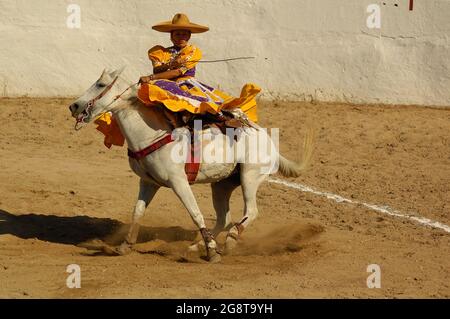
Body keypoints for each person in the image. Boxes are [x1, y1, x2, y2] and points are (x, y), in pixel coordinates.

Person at [137, 13, 259, 126]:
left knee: (203, 105)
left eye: (184, 34)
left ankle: (223, 121)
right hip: (163, 82)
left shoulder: (192, 51)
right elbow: (157, 70)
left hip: (185, 83)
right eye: (177, 34)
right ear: (171, 36)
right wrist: (169, 64)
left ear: (189, 36)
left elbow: (177, 72)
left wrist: (150, 78)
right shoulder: (160, 52)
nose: (181, 37)